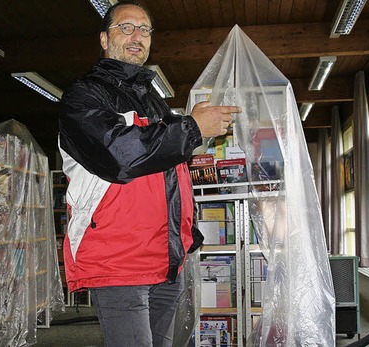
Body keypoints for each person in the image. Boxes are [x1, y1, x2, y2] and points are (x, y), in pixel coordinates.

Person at [57, 1, 240, 346]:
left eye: (144, 30)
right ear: (103, 38)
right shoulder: (83, 96)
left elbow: (168, 171)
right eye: (126, 27)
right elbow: (120, 156)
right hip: (119, 258)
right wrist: (192, 128)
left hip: (165, 256)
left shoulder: (153, 100)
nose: (136, 36)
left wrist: (185, 239)